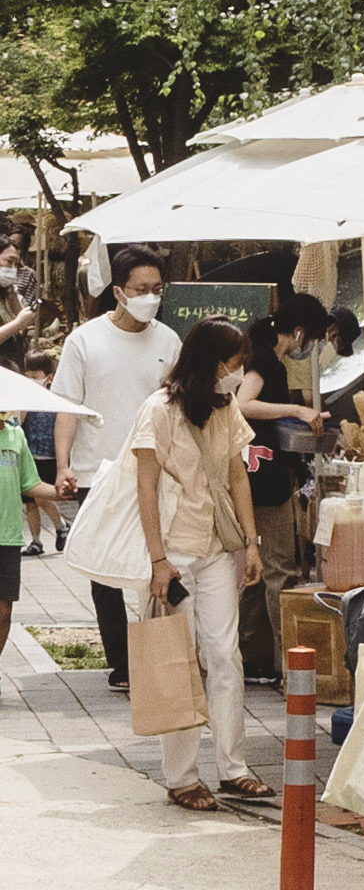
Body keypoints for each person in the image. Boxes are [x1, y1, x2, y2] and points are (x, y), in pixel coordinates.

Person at [131, 314, 273, 811]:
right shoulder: (159, 410)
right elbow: (144, 485)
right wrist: (158, 561)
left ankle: (233, 768)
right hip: (173, 553)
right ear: (212, 361)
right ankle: (182, 776)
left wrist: (250, 544)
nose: (237, 373)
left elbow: (238, 477)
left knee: (225, 656)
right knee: (179, 661)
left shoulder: (225, 405)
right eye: (234, 364)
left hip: (215, 549)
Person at [52, 244, 181, 691]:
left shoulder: (169, 341)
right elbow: (66, 406)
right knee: (105, 571)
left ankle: (158, 650)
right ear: (118, 292)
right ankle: (122, 664)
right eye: (141, 289)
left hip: (156, 471)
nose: (150, 296)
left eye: (157, 289)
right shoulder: (84, 340)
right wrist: (64, 465)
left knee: (156, 564)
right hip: (99, 470)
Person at [236, 293, 328, 680]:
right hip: (260, 476)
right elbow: (243, 404)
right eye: (313, 341)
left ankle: (248, 654)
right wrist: (296, 409)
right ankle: (289, 664)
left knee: (259, 573)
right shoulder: (263, 359)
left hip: (260, 472)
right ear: (300, 332)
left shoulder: (264, 355)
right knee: (279, 569)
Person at [0, 408, 71, 689]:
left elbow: (29, 483)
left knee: (4, 611)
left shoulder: (15, 435)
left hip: (8, 537)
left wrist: (60, 491)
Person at [20, 351, 70, 555]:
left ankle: (61, 526)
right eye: (28, 374)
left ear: (49, 376)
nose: (32, 379)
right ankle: (36, 540)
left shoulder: (57, 398)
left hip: (50, 456)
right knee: (30, 502)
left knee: (42, 497)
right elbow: (20, 421)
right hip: (30, 454)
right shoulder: (25, 397)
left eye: (36, 375)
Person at [0, 234, 38, 371]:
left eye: (16, 264)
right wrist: (16, 324)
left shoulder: (6, 294)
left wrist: (12, 294)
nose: (13, 268)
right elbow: (18, 325)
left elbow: (22, 327)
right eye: (9, 262)